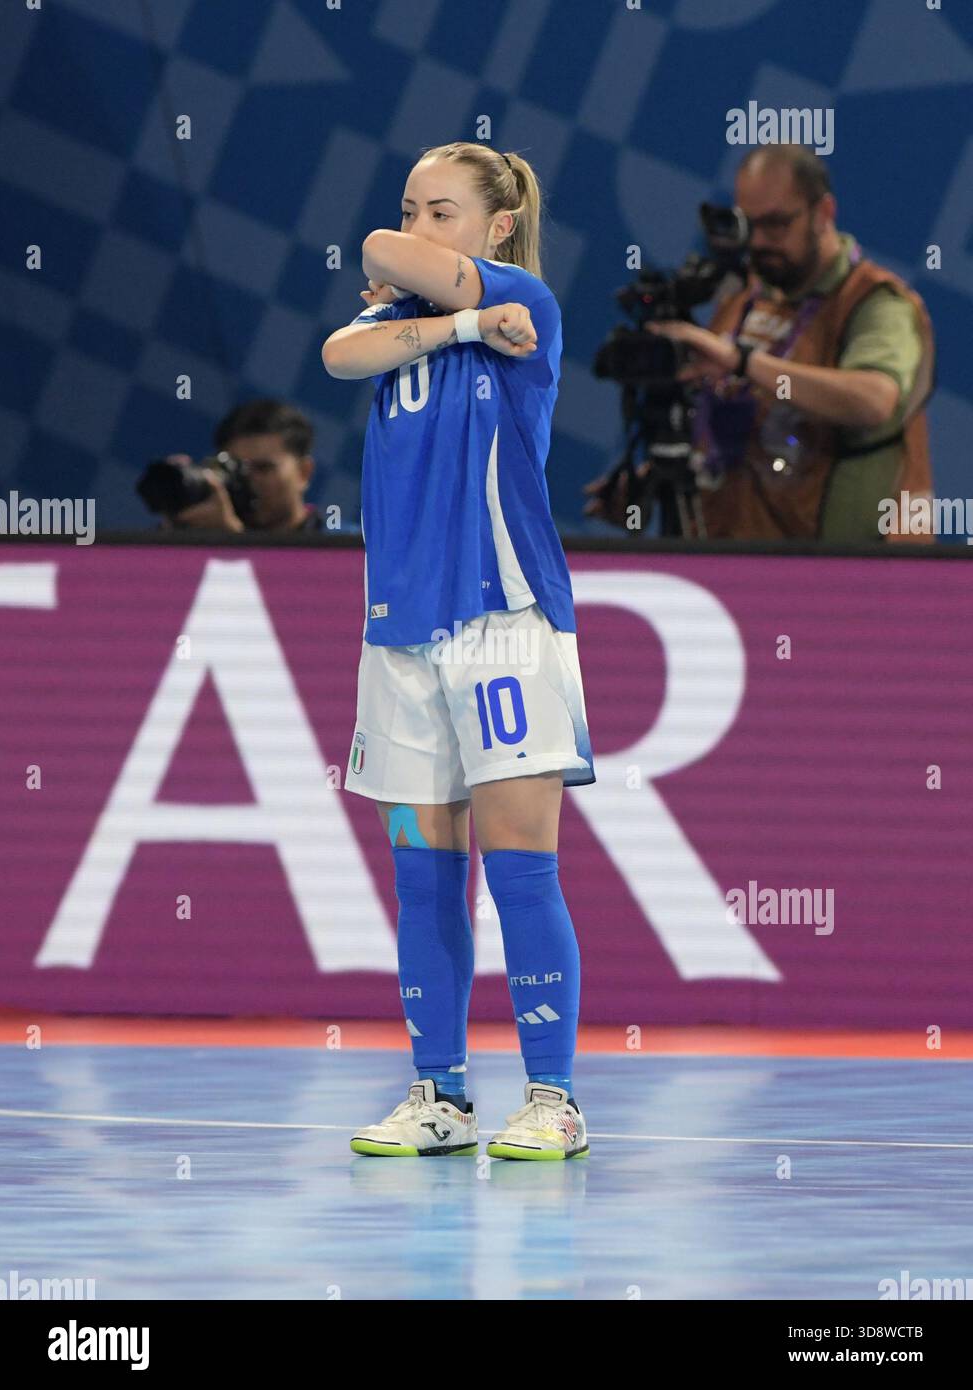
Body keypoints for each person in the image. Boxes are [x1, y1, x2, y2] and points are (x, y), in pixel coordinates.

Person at [322, 141, 595, 1160]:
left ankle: (553, 1099)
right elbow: (338, 356)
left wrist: (441, 289)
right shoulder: (403, 322)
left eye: (444, 211)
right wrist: (458, 320)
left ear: (498, 228)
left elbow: (379, 247)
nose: (416, 227)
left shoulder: (530, 299)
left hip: (503, 623)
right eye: (412, 206)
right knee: (423, 874)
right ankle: (439, 1094)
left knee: (520, 870)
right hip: (397, 632)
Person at [590, 146, 935, 542]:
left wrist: (742, 361)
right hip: (734, 565)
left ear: (823, 213)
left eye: (776, 224)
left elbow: (875, 400)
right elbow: (727, 411)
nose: (758, 242)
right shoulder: (744, 298)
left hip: (845, 581)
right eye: (748, 225)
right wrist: (648, 482)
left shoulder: (874, 302)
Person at [162, 399, 325, 533]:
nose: (248, 480)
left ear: (304, 473)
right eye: (235, 468)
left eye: (263, 468)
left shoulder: (345, 549)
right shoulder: (201, 535)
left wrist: (233, 541)